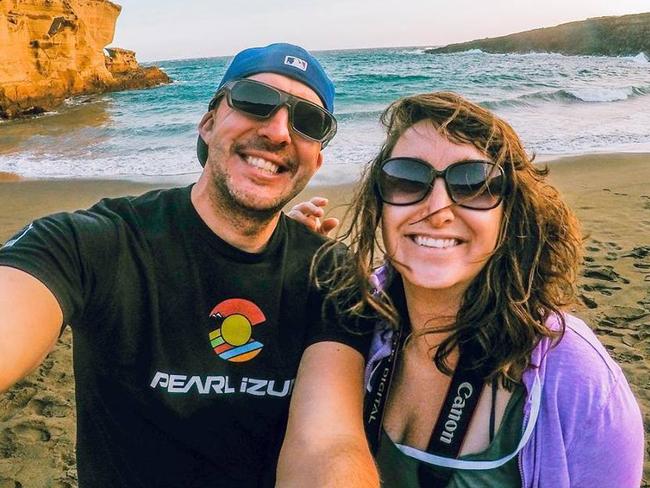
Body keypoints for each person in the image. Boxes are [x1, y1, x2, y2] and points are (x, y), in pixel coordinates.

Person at [0, 43, 378, 487]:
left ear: (317, 159)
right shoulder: (98, 241)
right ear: (208, 122)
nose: (278, 131)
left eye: (309, 122)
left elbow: (329, 443)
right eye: (255, 101)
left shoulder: (330, 275)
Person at [290, 91, 644, 487]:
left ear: (509, 214)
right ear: (381, 203)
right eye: (407, 179)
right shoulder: (353, 318)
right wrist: (287, 258)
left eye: (474, 183)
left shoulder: (577, 378)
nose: (437, 209)